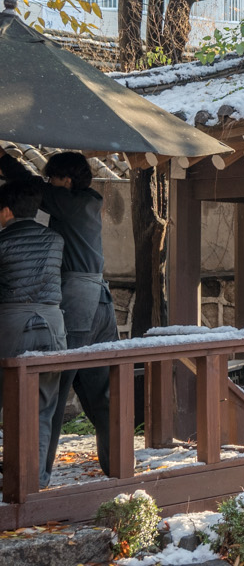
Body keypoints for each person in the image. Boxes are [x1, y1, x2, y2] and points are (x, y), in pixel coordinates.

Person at [0, 151, 117, 477]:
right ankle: (119, 466)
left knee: (52, 390)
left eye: (52, 178)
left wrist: (3, 158)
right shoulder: (87, 204)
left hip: (77, 304)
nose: (48, 184)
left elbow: (27, 186)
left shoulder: (71, 202)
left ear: (66, 179)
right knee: (102, 397)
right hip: (102, 303)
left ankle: (39, 477)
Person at [0, 176, 66, 487]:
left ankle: (11, 478)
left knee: (5, 400)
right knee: (43, 406)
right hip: (52, 325)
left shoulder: (2, 242)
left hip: (11, 324)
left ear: (5, 212)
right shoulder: (55, 240)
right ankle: (35, 481)